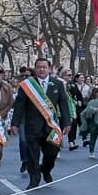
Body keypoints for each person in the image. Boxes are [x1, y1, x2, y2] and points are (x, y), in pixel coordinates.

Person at [14, 58, 73, 187]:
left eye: (44, 67)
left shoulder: (57, 84)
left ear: (49, 69)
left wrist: (67, 122)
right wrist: (15, 123)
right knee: (32, 155)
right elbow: (19, 105)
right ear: (35, 69)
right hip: (32, 126)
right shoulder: (27, 85)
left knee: (52, 152)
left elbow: (63, 104)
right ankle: (34, 179)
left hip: (50, 126)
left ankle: (46, 169)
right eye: (39, 67)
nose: (41, 69)